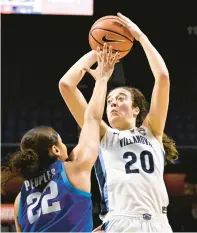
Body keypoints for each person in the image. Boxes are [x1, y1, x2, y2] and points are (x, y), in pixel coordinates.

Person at [59, 13, 178, 232]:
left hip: (159, 223)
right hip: (121, 221)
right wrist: (100, 50)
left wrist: (141, 37)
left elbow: (162, 77)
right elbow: (66, 85)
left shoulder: (152, 131)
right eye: (110, 101)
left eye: (120, 99)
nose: (112, 104)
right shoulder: (103, 135)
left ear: (136, 109)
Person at [1, 46, 119, 232]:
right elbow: (92, 118)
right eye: (61, 142)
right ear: (55, 149)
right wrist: (103, 78)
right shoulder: (73, 169)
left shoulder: (19, 200)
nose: (65, 146)